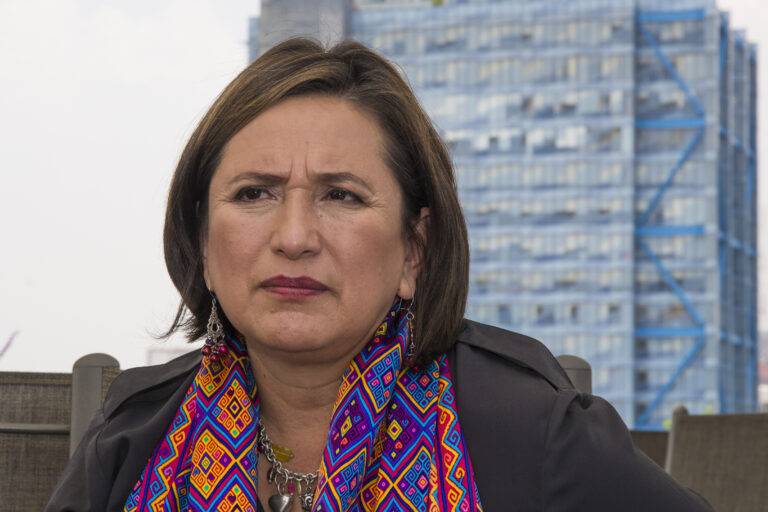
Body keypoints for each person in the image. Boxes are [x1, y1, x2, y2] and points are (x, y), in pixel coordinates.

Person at [46, 38, 712, 512]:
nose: (294, 237)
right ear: (202, 243)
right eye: (254, 193)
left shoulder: (533, 431)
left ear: (414, 250)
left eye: (341, 195)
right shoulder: (131, 438)